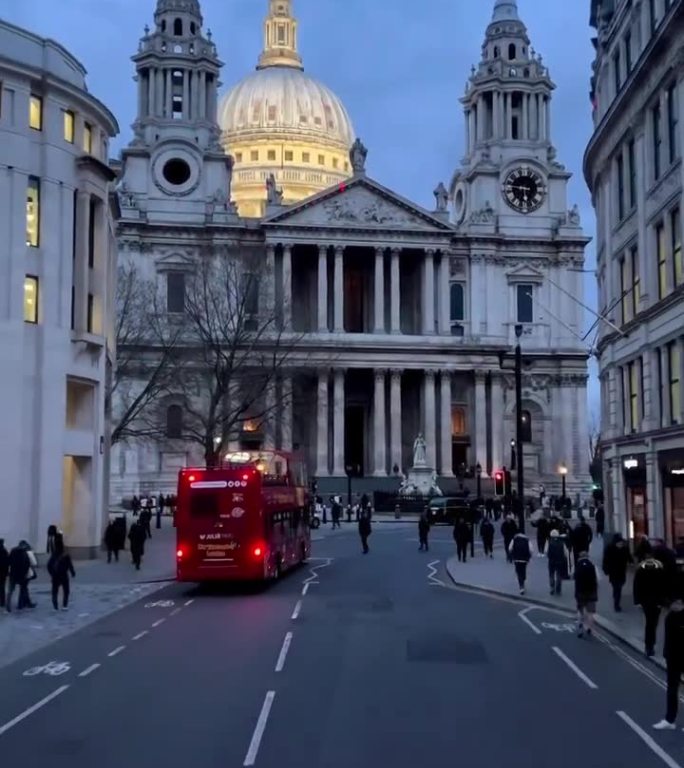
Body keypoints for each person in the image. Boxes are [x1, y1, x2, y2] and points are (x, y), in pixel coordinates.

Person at [653, 596, 684, 730]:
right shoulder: (670, 617)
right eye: (671, 603)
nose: (671, 606)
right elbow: (668, 638)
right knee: (672, 688)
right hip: (672, 657)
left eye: (675, 603)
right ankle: (669, 719)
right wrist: (666, 654)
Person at [634, 544, 667, 658]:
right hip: (656, 601)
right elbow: (663, 586)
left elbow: (636, 585)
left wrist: (637, 601)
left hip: (645, 601)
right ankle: (650, 645)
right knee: (653, 623)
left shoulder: (640, 567)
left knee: (650, 623)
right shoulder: (659, 567)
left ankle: (649, 646)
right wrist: (663, 602)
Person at [602, 533, 632, 612]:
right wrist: (605, 569)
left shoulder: (625, 549)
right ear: (615, 542)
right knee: (617, 587)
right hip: (613, 571)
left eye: (621, 543)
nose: (620, 544)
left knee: (620, 586)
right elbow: (605, 560)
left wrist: (631, 561)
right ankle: (616, 604)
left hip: (621, 571)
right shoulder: (609, 548)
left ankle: (616, 597)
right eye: (619, 543)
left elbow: (629, 557)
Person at [47, 534, 75, 611]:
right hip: (64, 575)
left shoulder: (54, 555)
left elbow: (49, 565)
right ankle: (64, 605)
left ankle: (55, 606)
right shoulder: (66, 555)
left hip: (55, 576)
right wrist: (72, 573)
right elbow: (70, 565)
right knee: (66, 590)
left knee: (54, 591)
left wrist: (51, 573)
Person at [575, 551, 599, 638]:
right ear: (588, 557)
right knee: (590, 612)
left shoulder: (577, 566)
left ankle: (580, 627)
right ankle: (590, 628)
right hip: (591, 592)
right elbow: (597, 579)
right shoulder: (592, 566)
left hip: (580, 592)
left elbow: (575, 578)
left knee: (580, 611)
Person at [6, 541, 34, 612]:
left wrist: (9, 571)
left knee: (10, 591)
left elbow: (8, 561)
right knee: (23, 589)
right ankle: (20, 605)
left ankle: (8, 606)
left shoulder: (13, 551)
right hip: (21, 575)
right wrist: (24, 574)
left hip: (13, 574)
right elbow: (27, 564)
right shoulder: (24, 553)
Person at [509, 530, 532, 595]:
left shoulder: (514, 539)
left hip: (516, 559)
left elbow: (510, 548)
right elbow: (531, 549)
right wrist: (529, 556)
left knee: (519, 572)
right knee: (523, 570)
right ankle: (523, 581)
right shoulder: (527, 539)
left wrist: (512, 554)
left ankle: (521, 587)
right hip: (524, 559)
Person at [547, 529, 569, 596]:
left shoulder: (549, 542)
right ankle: (558, 589)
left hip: (551, 561)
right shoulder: (562, 543)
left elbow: (546, 552)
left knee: (551, 574)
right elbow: (566, 553)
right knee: (559, 575)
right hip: (560, 561)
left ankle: (552, 588)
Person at [0, 539, 8, 609]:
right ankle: (2, 602)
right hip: (3, 573)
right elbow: (7, 562)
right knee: (2, 588)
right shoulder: (4, 551)